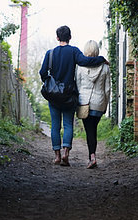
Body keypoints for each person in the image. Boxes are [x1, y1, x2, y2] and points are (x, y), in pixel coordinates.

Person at [40, 26, 108, 166]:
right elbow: (86, 61)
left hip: (53, 96)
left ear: (57, 37)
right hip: (69, 96)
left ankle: (57, 156)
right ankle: (66, 153)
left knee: (55, 126)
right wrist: (101, 59)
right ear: (70, 37)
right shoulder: (74, 51)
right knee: (68, 124)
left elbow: (42, 73)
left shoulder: (50, 53)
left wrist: (50, 82)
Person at [75, 40, 111, 169]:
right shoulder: (105, 67)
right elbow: (107, 89)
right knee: (93, 129)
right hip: (99, 102)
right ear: (97, 51)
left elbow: (78, 85)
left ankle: (92, 157)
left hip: (84, 102)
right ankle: (92, 156)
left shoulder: (79, 67)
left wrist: (79, 100)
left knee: (89, 130)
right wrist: (105, 105)